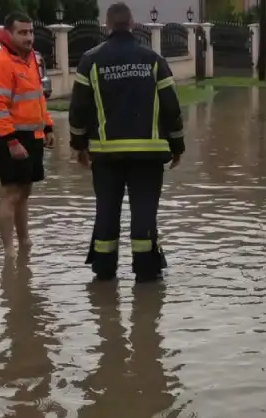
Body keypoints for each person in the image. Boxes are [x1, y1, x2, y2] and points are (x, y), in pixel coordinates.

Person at [68, 2, 185, 283]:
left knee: (106, 211)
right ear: (132, 24)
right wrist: (177, 145)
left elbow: (78, 110)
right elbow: (172, 107)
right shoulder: (154, 59)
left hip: (106, 155)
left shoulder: (90, 60)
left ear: (106, 26)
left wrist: (79, 145)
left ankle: (104, 271)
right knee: (144, 212)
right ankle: (146, 271)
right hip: (149, 154)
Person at [0, 13, 55, 259]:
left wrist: (47, 127)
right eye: (22, 33)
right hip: (13, 138)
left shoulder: (32, 60)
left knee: (25, 192)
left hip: (33, 136)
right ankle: (8, 251)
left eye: (31, 32)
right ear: (9, 34)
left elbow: (38, 98)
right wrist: (11, 141)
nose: (29, 37)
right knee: (12, 193)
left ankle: (25, 242)